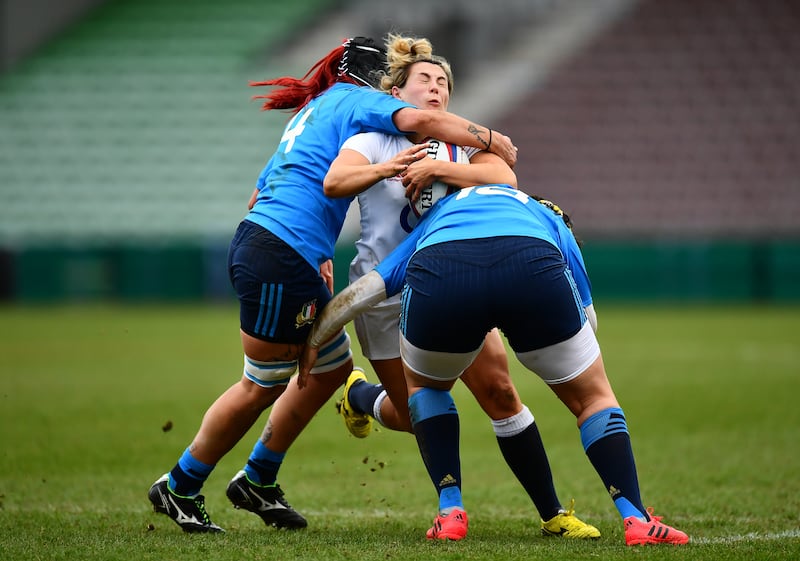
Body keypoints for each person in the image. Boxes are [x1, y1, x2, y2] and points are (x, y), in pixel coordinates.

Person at [147, 36, 517, 534]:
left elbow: (263, 189)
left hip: (281, 248)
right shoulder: (356, 98)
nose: (398, 86)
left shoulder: (317, 111)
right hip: (280, 252)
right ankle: (180, 485)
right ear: (375, 77)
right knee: (261, 384)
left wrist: (315, 251)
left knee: (327, 370)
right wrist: (490, 138)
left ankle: (257, 478)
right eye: (393, 75)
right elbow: (422, 122)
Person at [316, 33, 599, 539]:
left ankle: (550, 513)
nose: (437, 89)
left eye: (444, 83)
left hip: (449, 282)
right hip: (382, 293)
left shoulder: (452, 144)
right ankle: (359, 398)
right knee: (410, 413)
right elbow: (336, 180)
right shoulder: (369, 137)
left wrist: (439, 166)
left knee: (500, 392)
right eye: (425, 79)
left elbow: (504, 174)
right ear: (396, 91)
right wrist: (395, 166)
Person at [299, 185, 690, 546]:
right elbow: (588, 317)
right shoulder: (547, 214)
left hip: (443, 274)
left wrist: (317, 337)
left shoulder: (440, 214)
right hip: (532, 267)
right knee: (593, 397)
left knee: (427, 389)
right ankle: (636, 519)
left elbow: (377, 283)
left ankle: (450, 511)